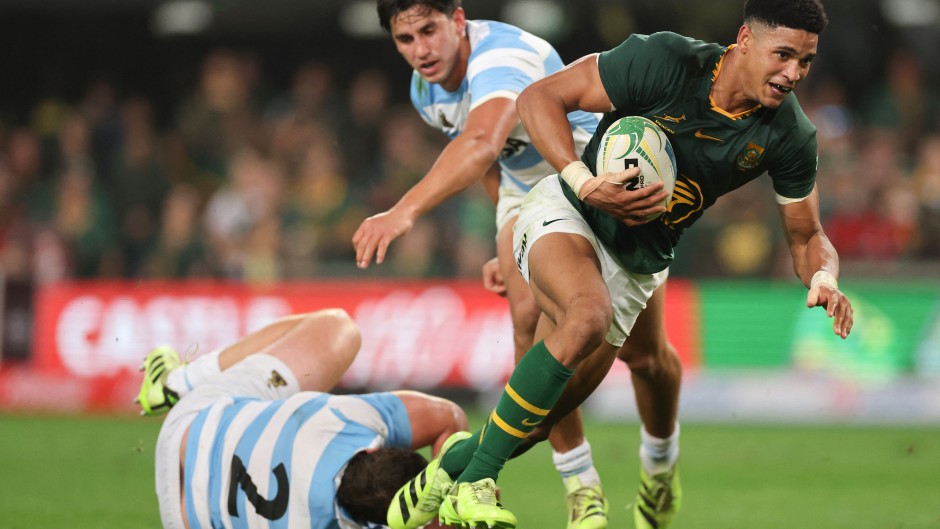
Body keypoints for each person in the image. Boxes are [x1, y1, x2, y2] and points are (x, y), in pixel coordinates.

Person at [397, 1, 858, 528]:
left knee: (542, 417)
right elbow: (538, 98)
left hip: (639, 264)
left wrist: (823, 274)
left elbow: (807, 236)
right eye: (784, 55)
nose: (793, 74)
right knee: (583, 316)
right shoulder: (664, 60)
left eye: (806, 62)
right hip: (569, 210)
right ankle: (491, 485)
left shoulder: (789, 135)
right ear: (745, 40)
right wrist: (584, 181)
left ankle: (448, 470)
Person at [352, 2, 609, 529]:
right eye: (405, 39)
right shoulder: (426, 91)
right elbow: (495, 162)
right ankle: (579, 485)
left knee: (639, 352)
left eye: (429, 30)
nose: (420, 50)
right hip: (524, 187)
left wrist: (403, 212)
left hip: (585, 169)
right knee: (524, 319)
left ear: (458, 20)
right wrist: (502, 235)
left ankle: (645, 454)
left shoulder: (503, 58)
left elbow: (481, 141)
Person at [135, 308, 469, 529]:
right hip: (186, 518)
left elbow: (448, 418)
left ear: (370, 451)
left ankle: (178, 383)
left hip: (194, 423)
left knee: (337, 328)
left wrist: (460, 490)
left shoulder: (347, 422)